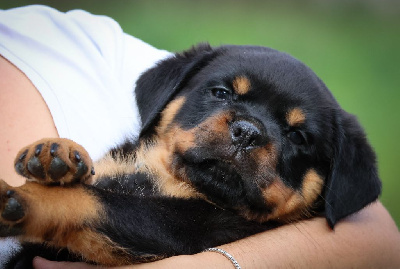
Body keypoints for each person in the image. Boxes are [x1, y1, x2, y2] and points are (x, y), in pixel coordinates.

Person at [0, 5, 399, 269]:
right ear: (166, 98)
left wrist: (38, 206)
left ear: (331, 184)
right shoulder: (136, 153)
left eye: (295, 136)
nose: (247, 132)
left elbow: (132, 222)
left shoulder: (242, 233)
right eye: (223, 94)